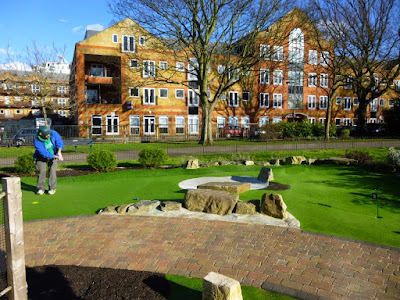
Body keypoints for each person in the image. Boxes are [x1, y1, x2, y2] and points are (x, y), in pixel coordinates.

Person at [33, 126, 64, 195]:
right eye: (47, 135)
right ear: (41, 134)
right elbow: (43, 153)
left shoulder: (53, 133)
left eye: (49, 134)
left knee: (52, 171)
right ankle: (41, 188)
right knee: (42, 171)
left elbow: (59, 142)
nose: (48, 135)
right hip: (41, 156)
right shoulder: (37, 140)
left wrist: (59, 152)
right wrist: (56, 156)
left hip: (54, 153)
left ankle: (52, 189)